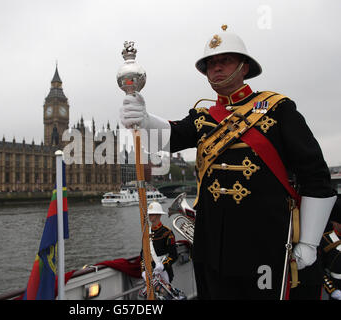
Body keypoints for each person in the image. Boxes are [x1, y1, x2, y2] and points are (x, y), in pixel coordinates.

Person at [120, 25, 337, 299]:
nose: (216, 68)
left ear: (244, 67)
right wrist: (142, 117)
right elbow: (169, 137)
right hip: (212, 249)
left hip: (265, 243)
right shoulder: (202, 116)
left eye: (225, 61)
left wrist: (308, 241)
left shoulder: (279, 109)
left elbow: (315, 175)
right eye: (211, 63)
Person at [140, 201, 178, 284]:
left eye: (152, 214)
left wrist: (163, 266)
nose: (149, 216)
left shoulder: (167, 232)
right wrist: (143, 270)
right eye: (149, 214)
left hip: (164, 273)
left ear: (158, 215)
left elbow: (174, 255)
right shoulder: (146, 233)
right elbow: (143, 254)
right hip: (150, 273)